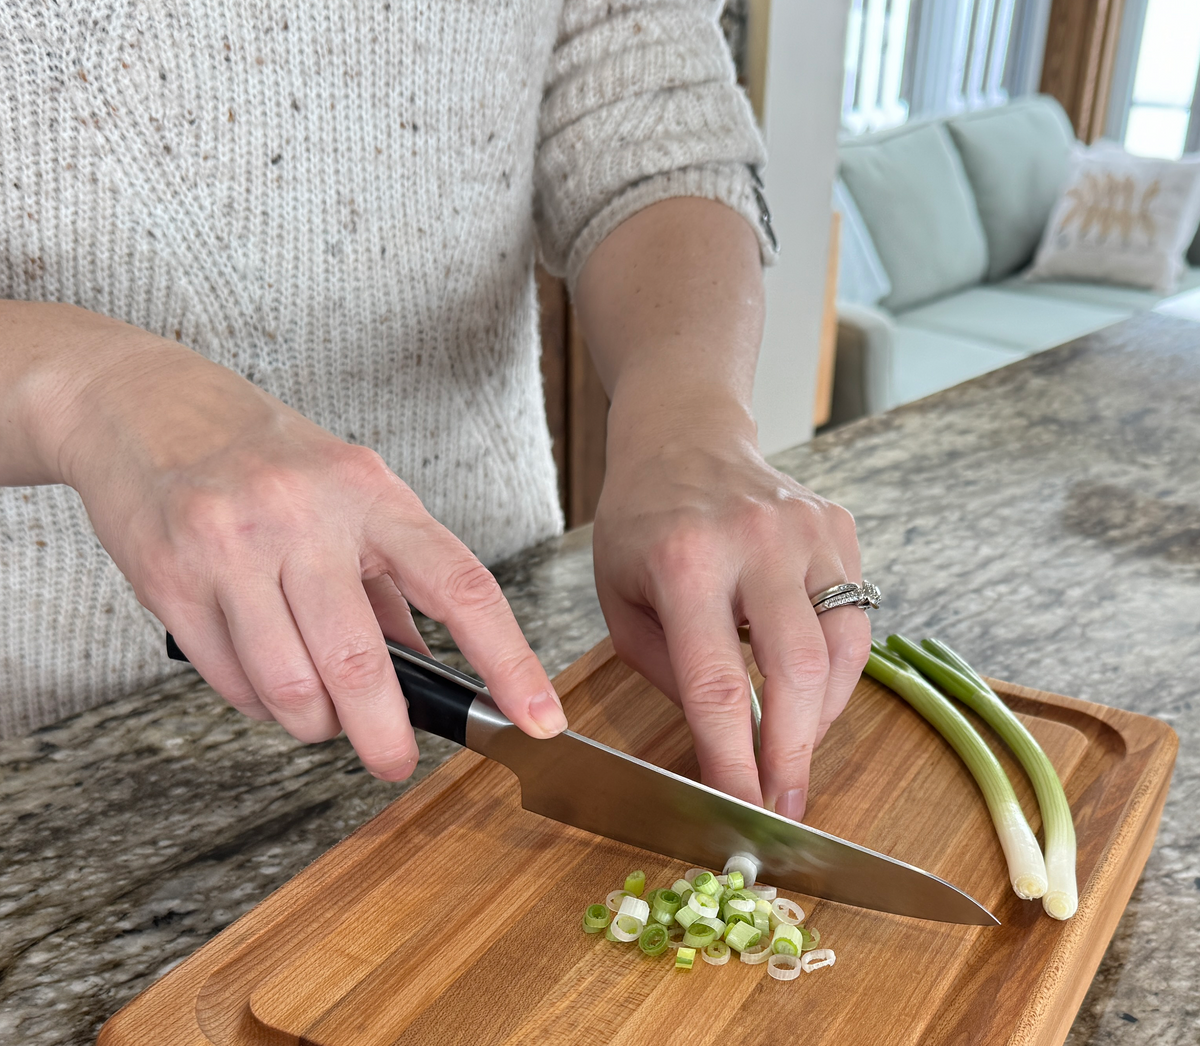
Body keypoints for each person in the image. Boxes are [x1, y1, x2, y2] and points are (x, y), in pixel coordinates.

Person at [0, 0, 868, 822]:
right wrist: (83, 390)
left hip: (493, 617)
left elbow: (646, 107)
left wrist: (687, 421)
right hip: (41, 746)